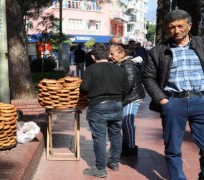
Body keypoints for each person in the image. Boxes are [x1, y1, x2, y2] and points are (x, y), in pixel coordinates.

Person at [142, 9, 204, 180]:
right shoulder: (158, 51)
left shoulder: (201, 44)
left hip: (201, 101)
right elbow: (147, 77)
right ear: (167, 28)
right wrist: (162, 100)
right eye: (172, 27)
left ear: (189, 25)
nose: (176, 30)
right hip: (173, 103)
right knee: (173, 148)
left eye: (180, 26)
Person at [80, 45, 129, 178]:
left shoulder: (91, 69)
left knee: (100, 138)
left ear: (93, 56)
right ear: (108, 55)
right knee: (115, 135)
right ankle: (114, 162)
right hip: (117, 104)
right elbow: (126, 88)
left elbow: (84, 88)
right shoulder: (119, 69)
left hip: (98, 105)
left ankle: (100, 169)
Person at [109, 44, 145, 156]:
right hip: (128, 96)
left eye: (112, 53)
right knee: (126, 121)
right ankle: (127, 144)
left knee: (127, 121)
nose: (110, 56)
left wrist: (118, 96)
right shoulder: (122, 64)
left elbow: (128, 86)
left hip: (131, 97)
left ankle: (130, 147)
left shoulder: (128, 65)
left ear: (122, 53)